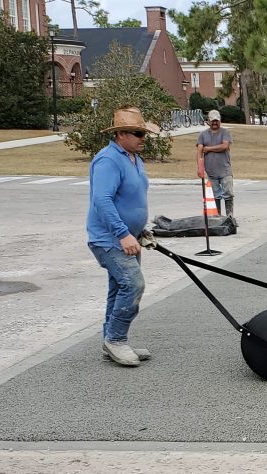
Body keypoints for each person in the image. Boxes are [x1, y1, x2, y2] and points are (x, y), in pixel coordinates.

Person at [86, 107, 159, 367]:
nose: (143, 138)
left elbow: (132, 198)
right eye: (139, 133)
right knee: (133, 284)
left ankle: (111, 340)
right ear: (121, 134)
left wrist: (139, 231)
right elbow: (102, 201)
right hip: (109, 239)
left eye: (144, 133)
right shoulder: (108, 160)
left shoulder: (134, 158)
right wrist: (123, 234)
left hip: (130, 237)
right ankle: (116, 340)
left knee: (119, 287)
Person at [196, 109, 234, 219]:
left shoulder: (225, 133)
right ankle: (218, 217)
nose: (215, 123)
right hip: (211, 171)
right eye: (212, 120)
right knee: (215, 194)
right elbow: (199, 152)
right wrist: (200, 168)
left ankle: (229, 216)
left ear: (220, 121)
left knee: (228, 193)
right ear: (208, 121)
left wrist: (208, 149)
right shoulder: (203, 135)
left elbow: (224, 146)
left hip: (225, 170)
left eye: (217, 120)